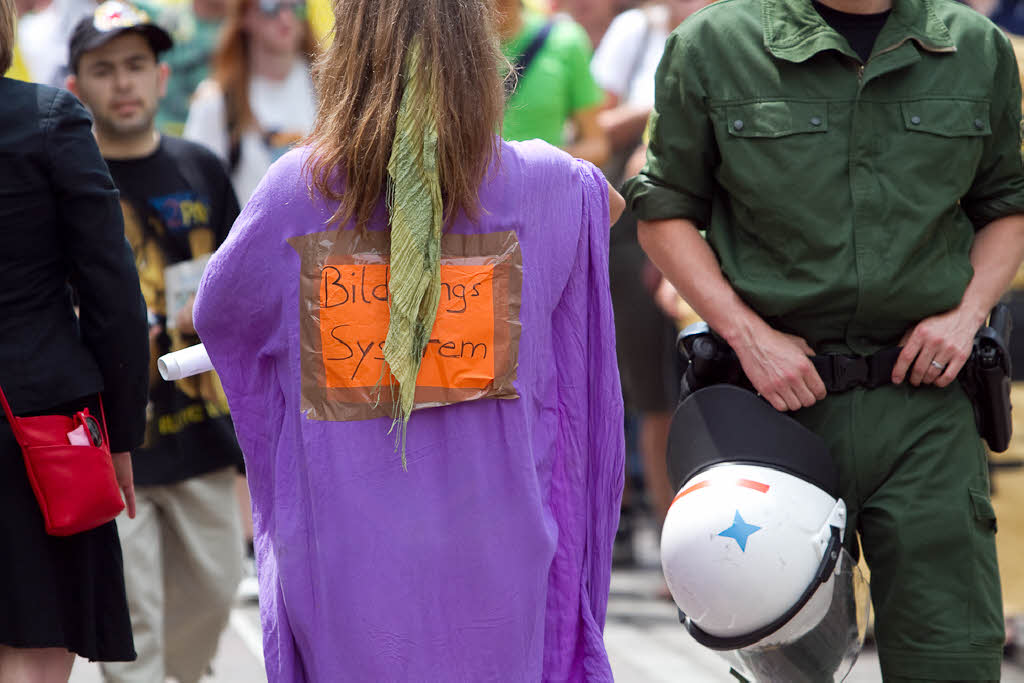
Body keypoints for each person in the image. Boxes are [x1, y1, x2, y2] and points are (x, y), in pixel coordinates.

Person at [191, 0, 626, 679]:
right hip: (499, 553)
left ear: (349, 60)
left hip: (349, 559)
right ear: (480, 60)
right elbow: (605, 208)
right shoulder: (547, 184)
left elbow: (220, 310)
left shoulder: (296, 195)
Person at [623, 0, 1024, 677]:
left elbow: (1006, 204)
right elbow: (663, 211)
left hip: (923, 407)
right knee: (788, 664)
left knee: (951, 654)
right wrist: (747, 334)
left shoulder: (974, 49)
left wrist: (968, 314)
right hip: (774, 409)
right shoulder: (715, 46)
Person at [64, 4, 244, 681]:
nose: (124, 84)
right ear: (75, 85)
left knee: (218, 587)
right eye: (104, 70)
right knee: (134, 626)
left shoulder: (200, 167)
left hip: (199, 424)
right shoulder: (66, 174)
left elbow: (240, 277)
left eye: (136, 65)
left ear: (163, 76)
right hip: (109, 436)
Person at [0, 0, 149, 676]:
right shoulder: (45, 121)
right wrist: (120, 432)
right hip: (40, 425)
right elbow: (112, 292)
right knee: (37, 643)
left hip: (35, 421)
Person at [182, 0, 316, 204]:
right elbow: (196, 190)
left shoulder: (330, 87)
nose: (286, 17)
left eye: (297, 6)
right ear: (244, 16)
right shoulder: (217, 99)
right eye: (270, 7)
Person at [495, 0, 610, 167]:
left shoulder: (565, 39)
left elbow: (597, 145)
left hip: (539, 189)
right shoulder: (447, 44)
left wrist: (539, 166)